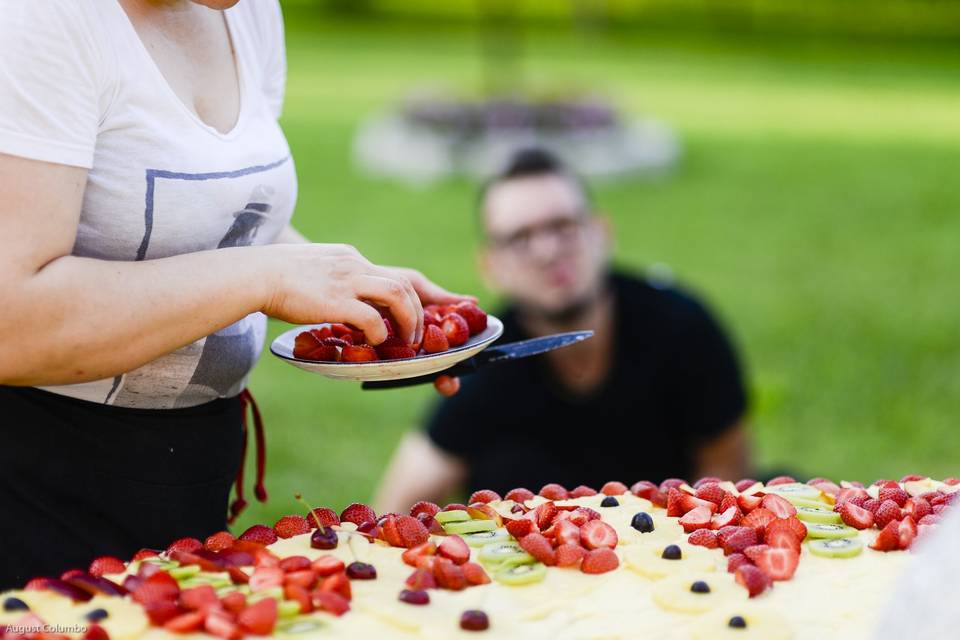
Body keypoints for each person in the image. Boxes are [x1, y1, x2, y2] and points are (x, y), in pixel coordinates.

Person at [0, 0, 467, 588]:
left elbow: (234, 222)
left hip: (191, 465)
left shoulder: (247, 13)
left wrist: (361, 294)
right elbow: (10, 324)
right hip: (38, 476)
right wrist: (263, 278)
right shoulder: (42, 21)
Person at [375, 148, 752, 513]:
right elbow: (397, 504)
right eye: (519, 238)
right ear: (492, 266)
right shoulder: (485, 360)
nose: (547, 251)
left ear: (601, 232)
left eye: (563, 226)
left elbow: (727, 471)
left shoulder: (681, 326)